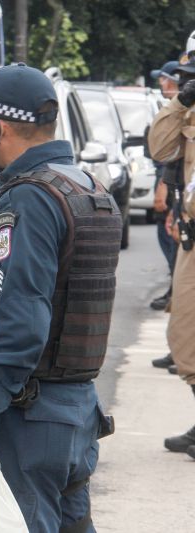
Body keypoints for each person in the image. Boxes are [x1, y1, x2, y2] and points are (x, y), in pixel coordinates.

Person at [0, 63, 120, 532]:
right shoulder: (87, 188)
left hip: (29, 414)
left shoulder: (30, 199)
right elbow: (51, 283)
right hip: (75, 411)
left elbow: (24, 313)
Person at [148, 47, 195, 457]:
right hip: (192, 236)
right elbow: (161, 150)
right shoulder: (189, 112)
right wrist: (181, 103)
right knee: (186, 339)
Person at [148, 61, 181, 314]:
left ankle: (175, 292)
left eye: (164, 78)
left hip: (172, 183)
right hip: (172, 182)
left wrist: (163, 188)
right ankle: (174, 291)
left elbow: (170, 154)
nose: (161, 83)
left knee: (172, 243)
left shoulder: (178, 107)